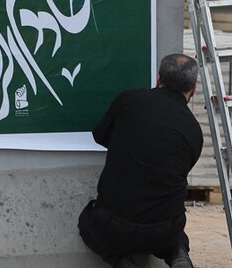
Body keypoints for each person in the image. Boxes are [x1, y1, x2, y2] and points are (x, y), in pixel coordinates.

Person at [78, 54, 204, 268]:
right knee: (176, 234)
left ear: (158, 79)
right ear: (193, 88)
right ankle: (178, 255)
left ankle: (122, 262)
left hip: (115, 226)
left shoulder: (129, 101)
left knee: (88, 222)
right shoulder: (194, 131)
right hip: (164, 230)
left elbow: (100, 136)